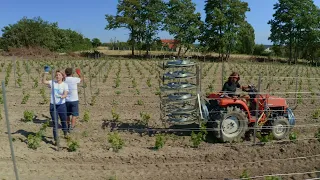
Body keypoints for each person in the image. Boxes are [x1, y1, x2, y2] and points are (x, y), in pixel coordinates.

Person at [42, 68, 69, 143]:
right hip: (53, 106)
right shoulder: (52, 82)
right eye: (56, 75)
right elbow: (44, 81)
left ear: (62, 76)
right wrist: (46, 72)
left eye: (59, 75)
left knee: (63, 121)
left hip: (62, 106)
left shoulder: (65, 85)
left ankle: (65, 133)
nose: (57, 76)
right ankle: (56, 139)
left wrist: (61, 96)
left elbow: (65, 94)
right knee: (55, 123)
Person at [64, 67, 83, 132]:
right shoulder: (74, 79)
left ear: (65, 73)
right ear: (72, 73)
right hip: (74, 100)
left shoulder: (64, 79)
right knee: (74, 114)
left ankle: (67, 125)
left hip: (66, 100)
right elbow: (81, 79)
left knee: (67, 114)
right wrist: (79, 73)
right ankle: (72, 127)